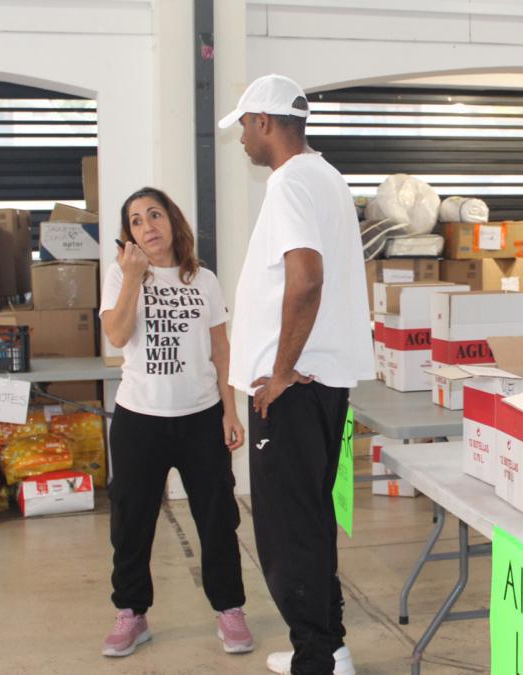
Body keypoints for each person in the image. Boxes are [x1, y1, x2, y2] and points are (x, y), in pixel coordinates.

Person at [218, 74, 375, 675]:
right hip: (320, 380)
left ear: (264, 122)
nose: (241, 143)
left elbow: (304, 278)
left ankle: (319, 658)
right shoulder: (326, 176)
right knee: (307, 518)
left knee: (286, 529)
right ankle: (327, 647)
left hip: (296, 386)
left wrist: (280, 371)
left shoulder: (290, 182)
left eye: (244, 129)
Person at [98, 187, 253, 657]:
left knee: (217, 518)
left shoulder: (203, 279)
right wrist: (131, 279)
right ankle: (131, 614)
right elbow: (117, 336)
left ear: (172, 221)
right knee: (131, 522)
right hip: (138, 419)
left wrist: (230, 410)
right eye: (137, 221)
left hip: (200, 418)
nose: (148, 226)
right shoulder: (118, 275)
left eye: (155, 215)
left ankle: (229, 610)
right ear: (129, 235)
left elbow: (221, 351)